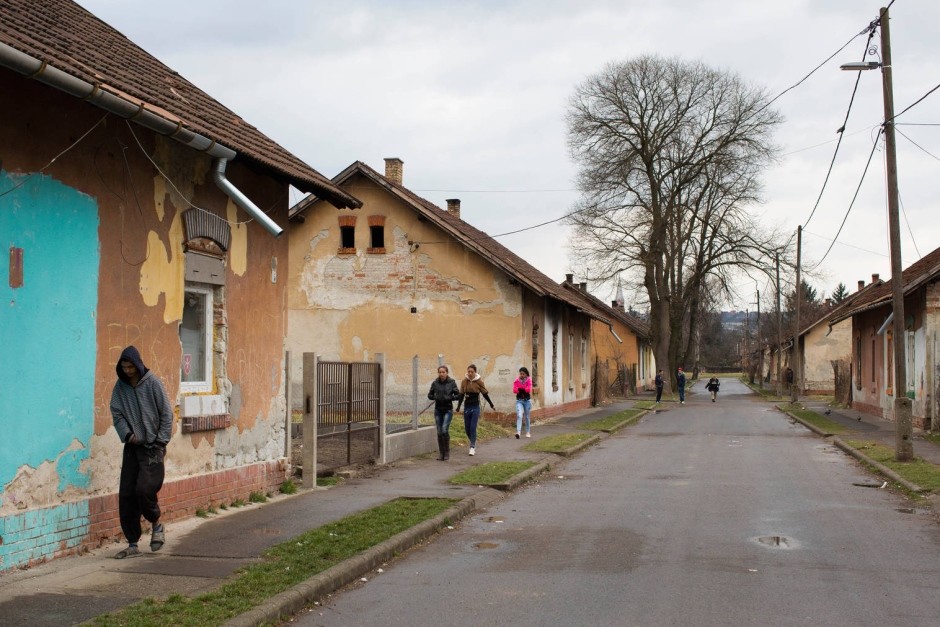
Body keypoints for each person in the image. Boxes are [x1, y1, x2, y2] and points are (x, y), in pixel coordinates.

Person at [110, 346, 173, 559]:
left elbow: (166, 413)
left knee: (145, 489)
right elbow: (116, 412)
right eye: (124, 367)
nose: (128, 371)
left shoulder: (153, 383)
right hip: (132, 446)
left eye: (130, 367)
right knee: (127, 494)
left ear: (138, 364)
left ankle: (156, 524)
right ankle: (132, 544)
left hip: (153, 447)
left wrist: (161, 440)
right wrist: (128, 435)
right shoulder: (120, 387)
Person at [455, 364, 495, 456]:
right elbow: (461, 395)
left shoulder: (479, 382)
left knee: (473, 427)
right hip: (467, 407)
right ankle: (473, 441)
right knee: (467, 429)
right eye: (468, 371)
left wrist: (491, 404)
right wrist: (458, 407)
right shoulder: (464, 382)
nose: (469, 373)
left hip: (475, 407)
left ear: (475, 372)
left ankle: (472, 446)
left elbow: (485, 394)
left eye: (471, 372)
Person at [427, 365, 460, 460]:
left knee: (444, 430)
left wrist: (450, 398)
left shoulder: (452, 382)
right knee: (439, 431)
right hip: (438, 410)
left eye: (443, 372)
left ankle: (447, 452)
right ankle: (441, 453)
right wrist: (435, 397)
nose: (441, 374)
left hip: (448, 410)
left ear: (447, 373)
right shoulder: (435, 383)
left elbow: (458, 395)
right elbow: (430, 395)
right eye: (440, 372)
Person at [513, 367, 533, 439]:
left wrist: (520, 389)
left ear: (526, 374)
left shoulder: (529, 380)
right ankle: (518, 432)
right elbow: (514, 390)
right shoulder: (516, 381)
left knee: (527, 417)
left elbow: (528, 390)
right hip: (519, 401)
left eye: (523, 374)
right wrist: (521, 389)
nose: (521, 375)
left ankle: (528, 432)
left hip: (527, 401)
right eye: (520, 373)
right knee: (519, 415)